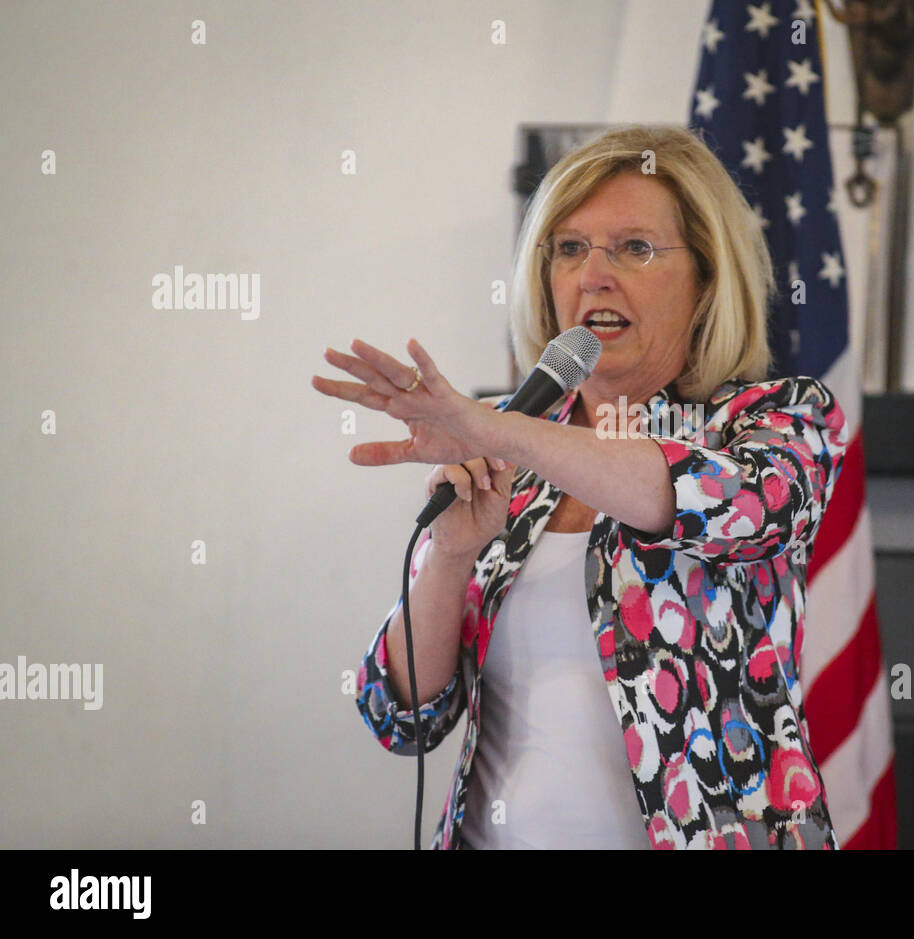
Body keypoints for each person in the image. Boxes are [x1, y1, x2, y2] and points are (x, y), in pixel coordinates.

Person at [311, 125, 847, 849]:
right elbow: (398, 715)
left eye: (634, 247)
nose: (594, 273)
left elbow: (720, 503)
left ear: (706, 279)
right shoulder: (504, 436)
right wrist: (450, 553)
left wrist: (501, 428)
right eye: (570, 248)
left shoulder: (775, 420)